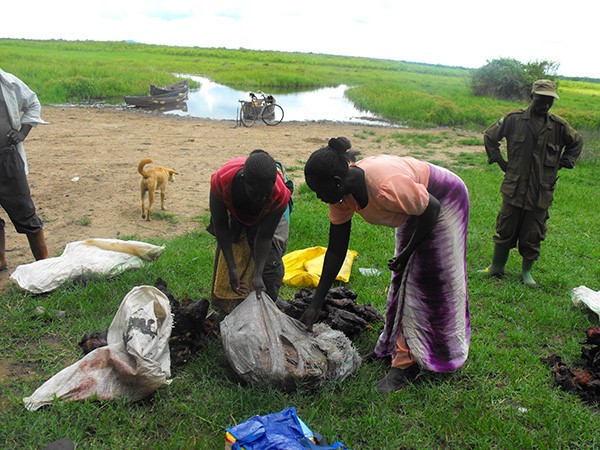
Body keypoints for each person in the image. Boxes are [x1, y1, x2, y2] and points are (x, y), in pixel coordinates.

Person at [300, 137, 470, 393]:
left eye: (319, 191)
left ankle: (407, 365)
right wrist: (316, 304)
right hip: (417, 205)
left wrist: (409, 251)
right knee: (402, 278)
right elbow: (336, 251)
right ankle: (391, 346)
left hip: (443, 200)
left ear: (337, 182)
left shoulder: (384, 186)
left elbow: (431, 208)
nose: (318, 197)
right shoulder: (340, 197)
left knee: (427, 281)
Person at [478, 79, 583, 287]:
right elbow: (490, 136)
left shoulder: (559, 126)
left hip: (540, 192)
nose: (545, 104)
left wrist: (563, 163)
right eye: (541, 99)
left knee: (533, 232)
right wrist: (500, 161)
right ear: (531, 96)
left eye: (549, 101)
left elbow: (577, 142)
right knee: (505, 227)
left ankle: (526, 273)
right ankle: (497, 267)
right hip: (514, 187)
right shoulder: (513, 119)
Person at [208, 149, 292, 313]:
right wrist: (232, 268)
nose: (261, 199)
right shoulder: (222, 181)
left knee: (271, 269)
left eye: (266, 194)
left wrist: (258, 274)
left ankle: (267, 309)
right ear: (243, 179)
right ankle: (226, 309)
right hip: (235, 205)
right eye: (256, 193)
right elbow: (221, 226)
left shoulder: (279, 195)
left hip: (266, 216)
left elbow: (265, 237)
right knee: (232, 240)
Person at [0, 68, 49, 271]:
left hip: (6, 159)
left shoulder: (8, 83)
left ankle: (45, 265)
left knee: (26, 212)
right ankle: (0, 262)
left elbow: (32, 103)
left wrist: (23, 133)